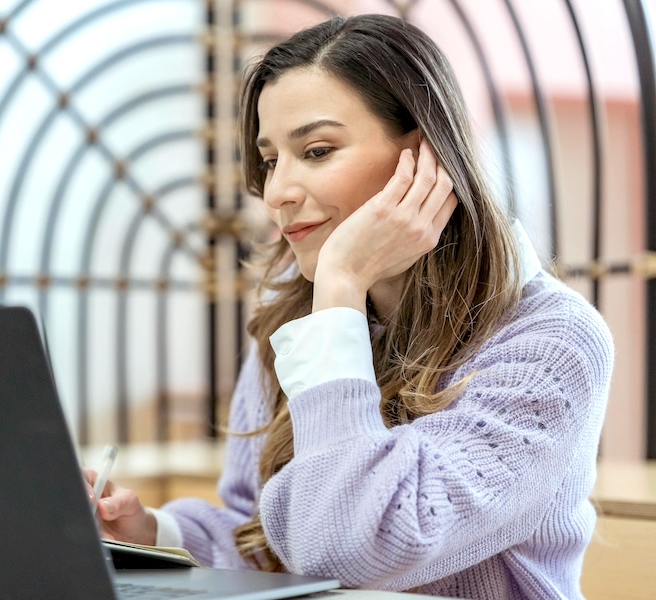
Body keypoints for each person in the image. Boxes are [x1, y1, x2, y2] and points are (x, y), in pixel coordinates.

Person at [84, 13, 614, 599]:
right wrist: (147, 530)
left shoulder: (552, 342)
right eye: (270, 160)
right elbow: (272, 538)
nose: (278, 191)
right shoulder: (294, 322)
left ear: (424, 158)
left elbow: (357, 548)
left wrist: (340, 289)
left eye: (315, 150)